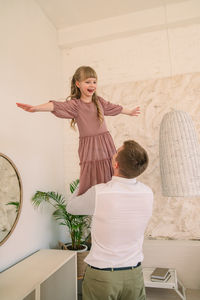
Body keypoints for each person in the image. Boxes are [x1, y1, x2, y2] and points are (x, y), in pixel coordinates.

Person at [16, 66, 140, 195]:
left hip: (105, 144)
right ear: (78, 84)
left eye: (94, 82)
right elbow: (56, 106)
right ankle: (94, 198)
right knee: (91, 172)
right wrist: (35, 108)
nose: (92, 85)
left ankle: (113, 195)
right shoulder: (75, 105)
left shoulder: (99, 102)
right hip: (89, 147)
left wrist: (130, 112)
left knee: (110, 168)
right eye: (87, 82)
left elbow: (115, 108)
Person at [67, 140, 153, 300]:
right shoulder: (148, 193)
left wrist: (84, 178)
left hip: (103, 277)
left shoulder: (100, 193)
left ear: (116, 165)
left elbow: (71, 207)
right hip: (134, 275)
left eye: (115, 153)